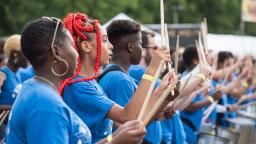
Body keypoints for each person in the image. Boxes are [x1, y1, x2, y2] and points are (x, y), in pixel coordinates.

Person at [4, 17, 146, 144]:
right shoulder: (45, 105)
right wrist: (114, 142)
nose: (76, 52)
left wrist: (113, 139)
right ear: (56, 52)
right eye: (72, 45)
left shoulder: (34, 88)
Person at [61, 13, 176, 143]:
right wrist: (152, 70)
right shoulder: (78, 86)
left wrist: (162, 91)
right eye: (104, 40)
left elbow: (134, 120)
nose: (110, 46)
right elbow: (128, 116)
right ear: (86, 46)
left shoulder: (90, 83)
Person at [0, 34, 28, 105]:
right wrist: (16, 108)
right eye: (25, 52)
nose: (29, 56)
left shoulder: (19, 74)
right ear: (15, 53)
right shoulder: (2, 75)